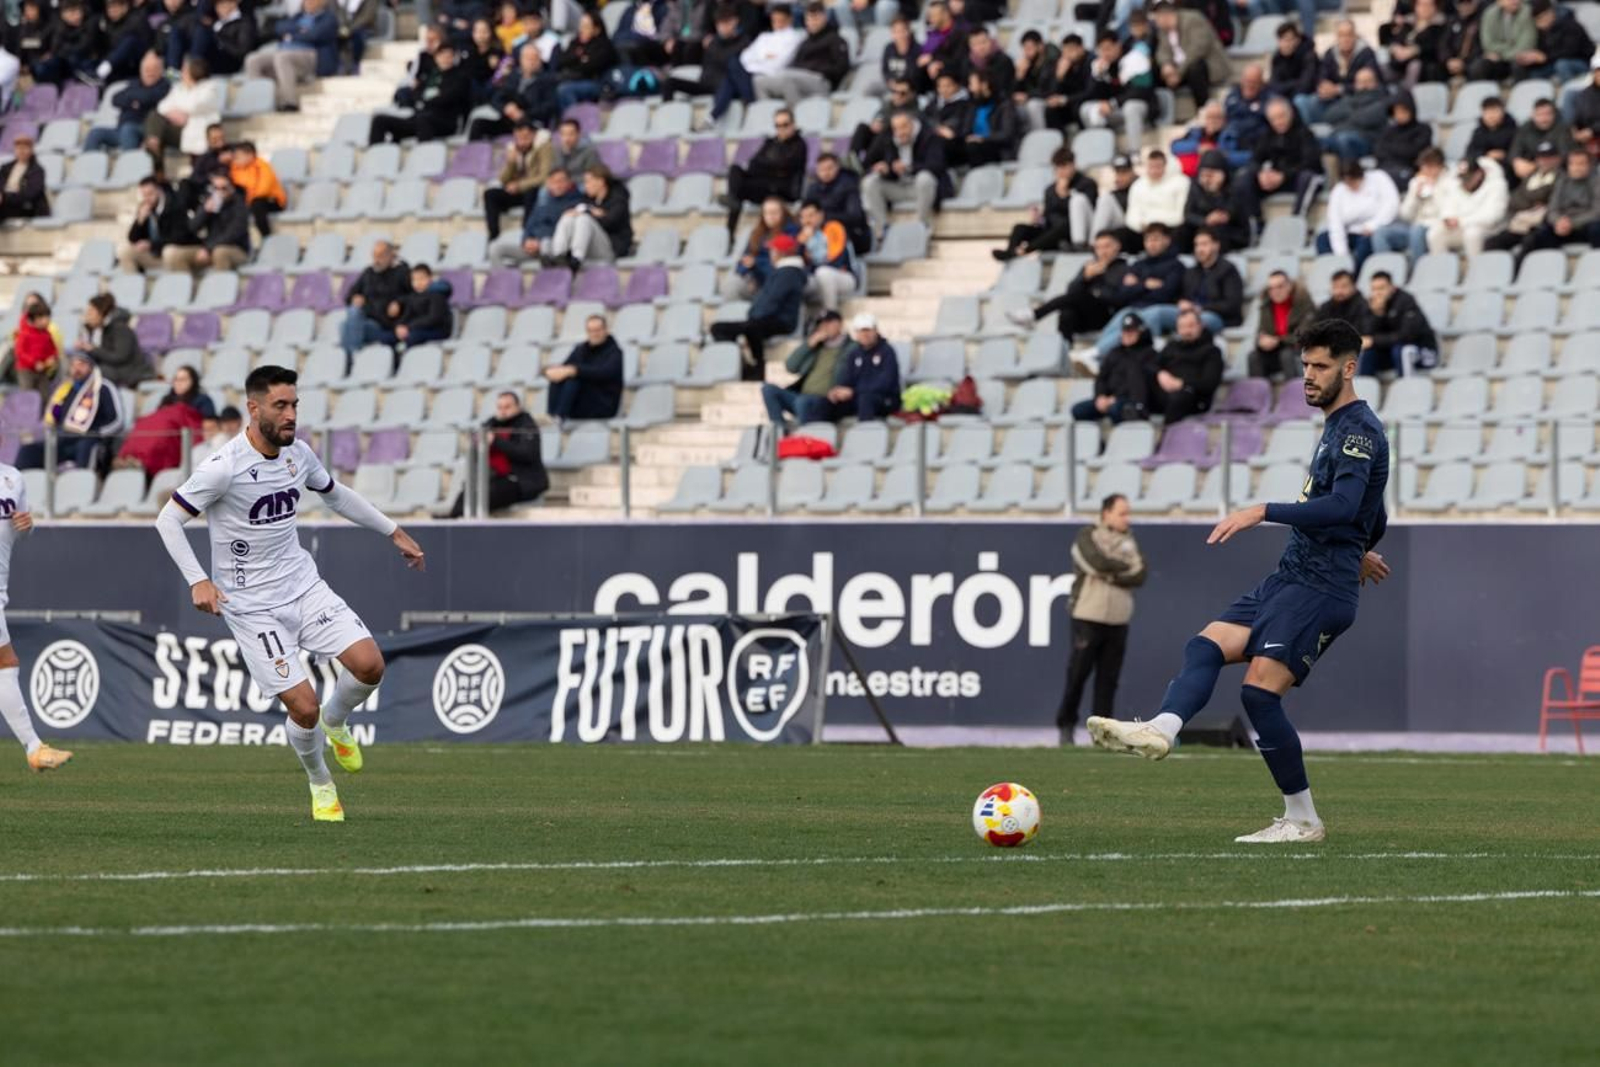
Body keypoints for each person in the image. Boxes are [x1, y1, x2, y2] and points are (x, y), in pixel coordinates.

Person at [1088, 318, 1392, 845]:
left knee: (1259, 696)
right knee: (1205, 644)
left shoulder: (1359, 432)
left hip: (1319, 589)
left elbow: (1345, 504)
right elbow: (1372, 510)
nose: (1309, 377)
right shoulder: (1337, 428)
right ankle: (1162, 729)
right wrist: (1362, 546)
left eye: (1321, 366)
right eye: (1305, 367)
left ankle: (1302, 821)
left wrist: (1263, 511)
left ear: (1349, 367)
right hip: (1291, 577)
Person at [156, 364, 425, 822]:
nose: (291, 415)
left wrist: (392, 530)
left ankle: (336, 723)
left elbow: (336, 494)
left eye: (294, 405)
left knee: (369, 665)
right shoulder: (223, 468)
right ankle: (321, 783)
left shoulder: (298, 454)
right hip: (252, 607)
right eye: (280, 406)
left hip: (303, 587)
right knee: (303, 707)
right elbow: (168, 519)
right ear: (254, 407)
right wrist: (197, 579)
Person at [1057, 493, 1144, 746]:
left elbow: (1140, 574)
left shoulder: (1130, 540)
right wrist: (1120, 568)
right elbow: (1095, 562)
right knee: (1078, 674)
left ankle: (1102, 735)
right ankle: (1066, 725)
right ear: (1106, 513)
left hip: (1118, 619)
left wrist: (1110, 573)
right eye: (1122, 513)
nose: (1127, 518)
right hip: (1088, 615)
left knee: (1108, 679)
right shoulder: (1088, 535)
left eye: (1128, 513)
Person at [0, 464, 72, 772]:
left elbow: (22, 528)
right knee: (6, 663)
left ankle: (35, 748)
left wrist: (27, 525)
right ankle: (34, 748)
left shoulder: (12, 477)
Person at [710, 234, 808, 379]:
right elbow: (769, 287)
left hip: (781, 321)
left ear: (781, 253)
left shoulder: (789, 273)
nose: (770, 254)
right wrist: (755, 268)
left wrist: (754, 317)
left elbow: (774, 300)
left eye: (773, 250)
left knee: (748, 328)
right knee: (720, 328)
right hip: (766, 318)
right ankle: (749, 363)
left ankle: (757, 366)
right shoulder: (783, 271)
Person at [1008, 231, 1127, 342]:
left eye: (1107, 246)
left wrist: (1096, 289)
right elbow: (1071, 292)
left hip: (1107, 315)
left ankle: (1035, 314)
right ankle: (1065, 349)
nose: (1103, 251)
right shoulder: (1090, 266)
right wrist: (1085, 278)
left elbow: (1115, 296)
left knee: (1079, 297)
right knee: (1067, 313)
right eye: (1098, 247)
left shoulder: (1123, 268)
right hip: (1085, 317)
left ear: (1117, 246)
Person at [17, 352, 124, 471]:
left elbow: (118, 421)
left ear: (92, 367)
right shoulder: (67, 389)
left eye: (82, 364)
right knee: (28, 451)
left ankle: (84, 483)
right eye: (73, 365)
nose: (76, 369)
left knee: (85, 446)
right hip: (64, 438)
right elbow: (58, 419)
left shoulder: (104, 387)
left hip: (89, 439)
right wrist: (55, 413)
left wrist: (97, 432)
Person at [1089, 223, 1183, 355]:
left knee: (1146, 316)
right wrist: (1145, 285)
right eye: (1148, 239)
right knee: (1123, 315)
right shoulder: (1139, 264)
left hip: (1163, 309)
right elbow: (1123, 294)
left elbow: (1164, 294)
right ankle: (1096, 352)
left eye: (1155, 239)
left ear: (1167, 240)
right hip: (1137, 308)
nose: (1151, 243)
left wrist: (1136, 286)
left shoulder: (1176, 266)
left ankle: (1097, 353)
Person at [449, 392, 549, 516]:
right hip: (494, 478)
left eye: (507, 407)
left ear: (518, 407)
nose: (503, 411)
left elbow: (526, 454)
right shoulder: (491, 424)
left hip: (520, 481)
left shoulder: (526, 426)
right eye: (500, 407)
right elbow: (476, 449)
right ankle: (451, 522)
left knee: (486, 494)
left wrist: (495, 440)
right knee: (467, 492)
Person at [860, 112, 953, 239]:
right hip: (899, 187)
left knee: (924, 178)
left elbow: (937, 166)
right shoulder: (888, 138)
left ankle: (922, 224)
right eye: (896, 128)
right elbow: (867, 164)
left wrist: (910, 167)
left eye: (903, 127)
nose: (900, 132)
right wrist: (885, 169)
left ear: (912, 124)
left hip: (922, 188)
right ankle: (882, 227)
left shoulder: (929, 136)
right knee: (870, 182)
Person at [994, 147, 1095, 261]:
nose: (1061, 172)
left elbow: (1084, 213)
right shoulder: (1050, 190)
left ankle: (1026, 250)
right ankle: (1011, 252)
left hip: (1071, 232)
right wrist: (1039, 219)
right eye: (1058, 168)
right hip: (1051, 233)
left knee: (1064, 225)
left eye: (1064, 167)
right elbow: (1048, 216)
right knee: (1019, 228)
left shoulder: (1087, 184)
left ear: (1073, 165)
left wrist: (1064, 195)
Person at [114, 364, 212, 477]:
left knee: (163, 430)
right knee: (143, 424)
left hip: (179, 435)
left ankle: (144, 461)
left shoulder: (202, 400)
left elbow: (206, 423)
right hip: (167, 425)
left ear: (193, 381)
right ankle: (128, 458)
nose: (179, 383)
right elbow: (159, 417)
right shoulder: (167, 399)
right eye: (176, 379)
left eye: (183, 379)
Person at [721, 109, 806, 237]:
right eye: (778, 126)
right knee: (735, 171)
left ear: (793, 124)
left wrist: (769, 164)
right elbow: (753, 163)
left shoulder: (800, 145)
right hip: (764, 184)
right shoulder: (771, 142)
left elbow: (786, 165)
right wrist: (773, 165)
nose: (781, 129)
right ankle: (729, 229)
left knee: (739, 192)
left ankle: (733, 208)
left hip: (783, 189)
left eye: (785, 125)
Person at [245, 0, 340, 112]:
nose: (308, 2)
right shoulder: (298, 16)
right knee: (253, 60)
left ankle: (289, 102)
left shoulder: (328, 18)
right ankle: (259, 100)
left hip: (311, 55)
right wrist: (300, 31)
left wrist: (291, 35)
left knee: (282, 57)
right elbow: (279, 27)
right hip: (285, 52)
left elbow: (314, 35)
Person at [1236, 98, 1322, 222]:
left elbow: (1310, 162)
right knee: (1244, 179)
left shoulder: (1304, 133)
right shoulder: (1267, 136)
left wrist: (1284, 175)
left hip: (1296, 178)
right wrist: (1261, 174)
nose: (1278, 122)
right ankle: (1256, 223)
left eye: (1281, 116)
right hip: (1276, 179)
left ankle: (1296, 221)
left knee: (1307, 177)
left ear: (1290, 114)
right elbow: (1255, 160)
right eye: (1274, 119)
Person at [761, 310, 850, 429]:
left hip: (825, 401)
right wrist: (808, 345)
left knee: (803, 402)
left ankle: (805, 440)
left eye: (828, 323)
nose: (824, 327)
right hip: (803, 397)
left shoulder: (851, 347)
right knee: (768, 390)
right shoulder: (816, 347)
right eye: (821, 324)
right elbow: (791, 366)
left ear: (839, 324)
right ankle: (780, 432)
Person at [1509, 146, 1600, 261]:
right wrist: (1558, 221)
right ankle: (1524, 273)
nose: (1577, 168)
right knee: (1537, 236)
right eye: (1573, 164)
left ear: (1590, 166)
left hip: (1585, 225)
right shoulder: (1562, 182)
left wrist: (1572, 223)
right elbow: (1553, 208)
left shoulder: (1596, 182)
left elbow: (1596, 211)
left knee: (1596, 229)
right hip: (1562, 226)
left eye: (1581, 164)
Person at [368, 41, 470, 143]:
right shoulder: (430, 76)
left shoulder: (460, 77)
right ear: (436, 57)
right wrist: (424, 99)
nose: (445, 59)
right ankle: (376, 154)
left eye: (449, 56)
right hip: (419, 117)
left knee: (423, 120)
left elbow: (447, 97)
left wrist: (425, 100)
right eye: (442, 55)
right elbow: (415, 93)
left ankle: (424, 156)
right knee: (379, 120)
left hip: (444, 121)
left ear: (454, 58)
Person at [755, 2, 850, 107]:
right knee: (759, 81)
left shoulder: (836, 40)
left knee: (787, 78)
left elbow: (841, 67)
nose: (812, 22)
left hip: (822, 81)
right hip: (800, 77)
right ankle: (769, 116)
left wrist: (814, 68)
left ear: (824, 18)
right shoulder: (805, 42)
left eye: (815, 18)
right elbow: (796, 63)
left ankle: (796, 117)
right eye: (808, 19)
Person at [1316, 161, 1400, 275]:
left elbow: (1391, 204)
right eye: (1347, 182)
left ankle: (1355, 277)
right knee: (1322, 239)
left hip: (1373, 230)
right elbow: (1335, 223)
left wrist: (1373, 225)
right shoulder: (1339, 191)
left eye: (1353, 181)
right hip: (1350, 231)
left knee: (1365, 245)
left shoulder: (1379, 178)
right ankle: (1332, 275)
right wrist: (1342, 255)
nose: (1351, 186)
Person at [1293, 20, 1381, 127]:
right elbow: (1321, 75)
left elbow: (1370, 85)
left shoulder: (1366, 54)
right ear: (1336, 37)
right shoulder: (1330, 53)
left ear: (1355, 35)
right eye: (1341, 35)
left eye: (1349, 34)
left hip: (1355, 102)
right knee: (1301, 101)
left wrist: (1339, 89)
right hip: (1330, 99)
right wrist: (1323, 86)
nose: (1345, 39)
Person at [489, 167, 582, 268]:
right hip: (533, 248)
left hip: (553, 248)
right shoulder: (542, 201)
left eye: (561, 181)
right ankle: (504, 281)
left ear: (569, 183)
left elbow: (561, 229)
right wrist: (526, 241)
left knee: (546, 244)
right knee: (495, 248)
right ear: (548, 183)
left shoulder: (576, 202)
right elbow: (530, 225)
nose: (557, 185)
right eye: (553, 181)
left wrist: (540, 241)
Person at [1078, 31, 1153, 153]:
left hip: (1141, 108)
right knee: (1086, 109)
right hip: (1116, 110)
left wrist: (1113, 103)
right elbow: (1093, 95)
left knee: (1131, 107)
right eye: (1101, 50)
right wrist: (1099, 76)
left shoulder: (1135, 58)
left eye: (1108, 48)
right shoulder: (1099, 64)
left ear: (1118, 45)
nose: (1105, 53)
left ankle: (1135, 152)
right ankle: (1104, 152)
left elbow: (1141, 91)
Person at [1073, 314, 1156, 423]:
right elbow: (1101, 378)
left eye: (1131, 331)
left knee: (1116, 409)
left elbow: (1141, 384)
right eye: (1125, 331)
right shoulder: (1114, 352)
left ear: (1140, 333)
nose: (1127, 335)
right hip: (1108, 399)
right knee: (1078, 410)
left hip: (1130, 400)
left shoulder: (1149, 354)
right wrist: (1100, 397)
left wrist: (1115, 399)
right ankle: (1098, 439)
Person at [547, 166, 633, 270]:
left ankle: (577, 258)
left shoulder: (618, 199)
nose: (585, 186)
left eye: (588, 182)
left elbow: (610, 222)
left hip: (612, 248)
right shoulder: (588, 199)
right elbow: (580, 210)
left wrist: (589, 213)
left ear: (601, 182)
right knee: (568, 216)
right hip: (591, 248)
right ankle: (558, 255)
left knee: (584, 219)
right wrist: (591, 212)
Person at [163, 171, 250, 274]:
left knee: (220, 252)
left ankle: (222, 288)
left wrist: (209, 248)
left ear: (232, 188)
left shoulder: (239, 205)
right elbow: (192, 227)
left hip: (237, 249)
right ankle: (189, 287)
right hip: (210, 247)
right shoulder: (209, 201)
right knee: (176, 256)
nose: (220, 192)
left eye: (224, 188)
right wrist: (204, 211)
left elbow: (232, 234)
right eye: (216, 188)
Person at [1373, 147, 1452, 260]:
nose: (1425, 171)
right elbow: (1405, 215)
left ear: (1439, 166)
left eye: (1430, 167)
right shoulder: (1416, 182)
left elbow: (1447, 211)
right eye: (1423, 167)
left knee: (1417, 230)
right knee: (1381, 232)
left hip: (1436, 226)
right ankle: (1386, 272)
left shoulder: (1450, 182)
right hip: (1414, 226)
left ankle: (1418, 270)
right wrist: (1416, 197)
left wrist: (1434, 190)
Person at [467, 44, 557, 141]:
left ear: (540, 60)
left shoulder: (548, 80)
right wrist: (505, 108)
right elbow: (497, 98)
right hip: (508, 119)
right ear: (521, 60)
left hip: (530, 121)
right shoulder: (514, 77)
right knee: (478, 124)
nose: (531, 62)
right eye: (527, 58)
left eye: (534, 59)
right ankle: (471, 153)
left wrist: (523, 114)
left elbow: (549, 106)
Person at [85, 51, 169, 152]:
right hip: (120, 129)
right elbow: (116, 98)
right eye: (146, 69)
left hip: (144, 129)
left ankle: (129, 164)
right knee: (95, 133)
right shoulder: (134, 83)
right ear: (141, 70)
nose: (149, 73)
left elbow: (148, 97)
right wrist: (133, 101)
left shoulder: (164, 86)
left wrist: (132, 99)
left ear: (160, 71)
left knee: (128, 130)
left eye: (153, 69)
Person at [544, 315, 624, 421]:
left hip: (603, 404)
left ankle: (559, 416)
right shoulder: (581, 349)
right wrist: (550, 371)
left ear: (606, 330)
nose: (594, 334)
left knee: (573, 378)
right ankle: (551, 415)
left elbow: (605, 373)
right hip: (582, 402)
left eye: (597, 330)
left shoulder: (615, 352)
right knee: (559, 376)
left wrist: (575, 370)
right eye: (590, 330)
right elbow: (565, 367)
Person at [340, 240, 411, 358]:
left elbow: (414, 296)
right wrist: (354, 298)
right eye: (374, 256)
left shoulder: (402, 273)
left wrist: (399, 302)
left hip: (386, 325)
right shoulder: (368, 273)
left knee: (347, 326)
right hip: (368, 320)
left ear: (391, 255)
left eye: (381, 256)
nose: (376, 260)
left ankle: (349, 359)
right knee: (346, 321)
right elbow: (349, 296)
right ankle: (351, 356)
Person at [1154, 308, 1225, 423]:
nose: (1186, 331)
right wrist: (1160, 374)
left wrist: (1181, 383)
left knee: (1180, 397)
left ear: (1200, 325)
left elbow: (1209, 383)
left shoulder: (1212, 351)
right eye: (1182, 327)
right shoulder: (1172, 346)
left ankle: (1167, 437)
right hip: (1166, 392)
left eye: (1191, 326)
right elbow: (1152, 365)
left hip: (1193, 398)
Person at [1426, 157, 1508, 257]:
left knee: (1472, 234)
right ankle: (1442, 269)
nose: (1464, 181)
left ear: (1478, 174)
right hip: (1461, 227)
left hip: (1490, 229)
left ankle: (1475, 269)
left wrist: (1460, 221)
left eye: (1467, 177)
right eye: (1462, 177)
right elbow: (1448, 208)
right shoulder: (1457, 185)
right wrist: (1448, 218)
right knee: (1435, 233)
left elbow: (1492, 217)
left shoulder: (1497, 185)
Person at [1152, 1, 1227, 107]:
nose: (1156, 23)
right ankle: (1159, 110)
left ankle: (1203, 108)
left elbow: (1197, 50)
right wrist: (1166, 65)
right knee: (1154, 69)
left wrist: (1178, 73)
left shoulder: (1193, 20)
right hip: (1179, 70)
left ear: (1165, 16)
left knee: (1195, 68)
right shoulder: (1163, 30)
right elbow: (1162, 51)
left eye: (1157, 19)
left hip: (1205, 67)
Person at [145, 56, 223, 158]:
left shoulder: (211, 88)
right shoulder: (179, 87)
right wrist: (174, 114)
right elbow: (162, 106)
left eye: (184, 70)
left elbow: (193, 106)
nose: (181, 73)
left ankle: (153, 145)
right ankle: (153, 144)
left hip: (201, 132)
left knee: (158, 132)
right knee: (154, 117)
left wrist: (177, 108)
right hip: (181, 129)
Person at [828, 314, 901, 421]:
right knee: (827, 403)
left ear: (876, 331)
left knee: (866, 400)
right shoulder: (853, 353)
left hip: (885, 399)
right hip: (857, 397)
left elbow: (886, 383)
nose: (865, 334)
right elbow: (846, 378)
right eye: (861, 331)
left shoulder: (887, 351)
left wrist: (854, 391)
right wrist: (839, 390)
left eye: (868, 330)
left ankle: (865, 435)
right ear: (856, 334)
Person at [1365, 271, 1439, 376]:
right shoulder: (1372, 304)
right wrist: (1378, 315)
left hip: (1422, 350)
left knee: (1403, 351)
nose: (1377, 293)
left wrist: (1374, 340)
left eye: (1381, 288)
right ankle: (1365, 389)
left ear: (1392, 287)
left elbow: (1407, 335)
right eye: (1374, 289)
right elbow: (1367, 335)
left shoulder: (1406, 300)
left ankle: (1406, 389)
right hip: (1392, 352)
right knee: (1368, 353)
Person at [482, 123, 549, 240]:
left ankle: (526, 232)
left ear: (533, 135)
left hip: (536, 191)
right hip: (518, 192)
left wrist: (519, 185)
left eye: (525, 137)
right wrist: (511, 162)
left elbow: (544, 177)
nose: (521, 141)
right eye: (518, 137)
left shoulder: (544, 148)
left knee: (531, 191)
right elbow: (503, 180)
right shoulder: (514, 149)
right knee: (490, 194)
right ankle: (494, 235)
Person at [1177, 150, 1249, 253]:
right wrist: (1205, 220)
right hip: (1203, 226)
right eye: (1203, 175)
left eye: (1211, 175)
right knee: (1181, 231)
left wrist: (1217, 193)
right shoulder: (1196, 187)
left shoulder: (1235, 188)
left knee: (1217, 230)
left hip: (1230, 231)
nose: (1206, 179)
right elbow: (1188, 214)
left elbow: (1232, 213)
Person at [1249, 272, 1316, 381]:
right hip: (1276, 352)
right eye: (1271, 288)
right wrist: (1261, 341)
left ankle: (1294, 394)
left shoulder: (1304, 304)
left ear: (1289, 286)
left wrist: (1278, 340)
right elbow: (1260, 332)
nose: (1275, 291)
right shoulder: (1266, 306)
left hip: (1300, 352)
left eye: (1280, 286)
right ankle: (1258, 395)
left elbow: (1303, 335)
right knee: (1254, 357)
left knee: (1286, 355)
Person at [1317, 66, 1391, 164]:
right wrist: (1353, 110)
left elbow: (1365, 119)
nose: (1364, 85)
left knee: (1344, 139)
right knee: (1314, 141)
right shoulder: (1350, 99)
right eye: (1360, 82)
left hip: (1366, 141)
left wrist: (1348, 113)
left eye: (1368, 81)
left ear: (1375, 83)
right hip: (1340, 134)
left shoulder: (1382, 101)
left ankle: (1350, 175)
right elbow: (1329, 116)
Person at [75, 294, 148, 389]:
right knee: (79, 369)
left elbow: (120, 356)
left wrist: (92, 349)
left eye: (91, 311)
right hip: (113, 370)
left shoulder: (120, 329)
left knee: (97, 372)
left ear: (101, 313)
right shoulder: (95, 330)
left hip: (131, 371)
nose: (87, 315)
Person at [797, 200, 859, 312]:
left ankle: (830, 316)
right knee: (794, 281)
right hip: (815, 277)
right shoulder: (800, 236)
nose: (807, 221)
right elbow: (798, 263)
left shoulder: (834, 229)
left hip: (843, 276)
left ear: (821, 215)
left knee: (823, 272)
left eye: (811, 215)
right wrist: (801, 245)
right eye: (803, 217)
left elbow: (836, 262)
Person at [553, 11, 619, 112]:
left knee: (565, 90)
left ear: (596, 30)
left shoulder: (604, 45)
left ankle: (576, 120)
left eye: (586, 27)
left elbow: (591, 66)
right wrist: (578, 58)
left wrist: (575, 62)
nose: (581, 30)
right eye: (581, 26)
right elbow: (561, 61)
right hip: (573, 79)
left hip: (597, 83)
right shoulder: (575, 42)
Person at [803, 153, 869, 255]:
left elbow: (855, 217)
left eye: (829, 168)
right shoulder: (813, 188)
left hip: (849, 234)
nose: (825, 172)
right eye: (821, 169)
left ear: (837, 167)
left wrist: (824, 218)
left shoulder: (849, 185)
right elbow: (806, 211)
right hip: (819, 231)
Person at [1170, 101, 1251, 179]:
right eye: (1210, 117)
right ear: (1204, 118)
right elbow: (1175, 146)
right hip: (1191, 173)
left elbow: (1248, 156)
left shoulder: (1233, 135)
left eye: (1217, 117)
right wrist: (1198, 147)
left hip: (1219, 175)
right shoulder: (1194, 132)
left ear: (1224, 120)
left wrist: (1223, 156)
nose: (1213, 120)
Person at [1372, 91, 1433, 189]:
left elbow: (1414, 153)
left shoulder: (1423, 129)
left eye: (1403, 111)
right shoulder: (1389, 130)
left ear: (1411, 110)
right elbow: (1378, 151)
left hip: (1407, 170)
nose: (1400, 115)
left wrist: (1391, 148)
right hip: (1384, 169)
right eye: (1396, 111)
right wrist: (1400, 149)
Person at [227, 142, 286, 240]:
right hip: (249, 202)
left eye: (238, 157)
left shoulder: (262, 166)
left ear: (250, 155)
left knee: (257, 203)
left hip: (271, 201)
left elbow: (263, 189)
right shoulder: (235, 169)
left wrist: (248, 200)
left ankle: (267, 237)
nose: (235, 159)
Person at [1524, 0, 1593, 83]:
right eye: (1536, 20)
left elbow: (1569, 52)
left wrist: (1545, 57)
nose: (1539, 23)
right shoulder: (1542, 30)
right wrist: (1534, 57)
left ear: (1550, 12)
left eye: (1540, 18)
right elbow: (1544, 51)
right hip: (1554, 62)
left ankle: (1569, 90)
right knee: (1534, 73)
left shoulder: (1571, 24)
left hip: (1582, 62)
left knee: (1562, 64)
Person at [1510, 99, 1572, 183]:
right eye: (1540, 114)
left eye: (1547, 114)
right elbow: (1515, 150)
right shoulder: (1525, 128)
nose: (1544, 118)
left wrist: (1536, 166)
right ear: (1533, 115)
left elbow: (1564, 155)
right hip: (1527, 170)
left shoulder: (1562, 129)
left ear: (1554, 115)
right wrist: (1516, 162)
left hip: (1555, 171)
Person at [394, 264, 453, 350]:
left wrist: (409, 327)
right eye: (414, 280)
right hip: (419, 328)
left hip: (438, 330)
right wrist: (400, 326)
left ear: (430, 278)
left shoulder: (437, 295)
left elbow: (434, 318)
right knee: (391, 337)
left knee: (413, 337)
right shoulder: (414, 296)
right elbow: (407, 315)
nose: (418, 282)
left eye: (421, 279)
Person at [1472, 0, 1535, 81]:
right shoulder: (1489, 14)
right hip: (1499, 60)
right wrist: (1510, 47)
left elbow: (1526, 45)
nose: (1514, 1)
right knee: (1479, 66)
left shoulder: (1527, 12)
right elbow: (1488, 44)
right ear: (1499, 2)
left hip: (1517, 59)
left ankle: (1521, 92)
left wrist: (1501, 56)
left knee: (1519, 65)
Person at [13, 298, 59, 403]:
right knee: (27, 394)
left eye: (48, 317)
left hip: (42, 370)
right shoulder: (24, 334)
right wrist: (34, 363)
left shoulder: (47, 334)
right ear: (34, 319)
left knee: (44, 395)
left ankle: (42, 416)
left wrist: (52, 358)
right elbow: (19, 353)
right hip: (26, 371)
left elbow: (53, 350)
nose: (47, 321)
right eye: (44, 318)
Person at [0, 135, 48, 220]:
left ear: (31, 150)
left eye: (25, 148)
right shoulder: (6, 168)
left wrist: (5, 197)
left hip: (27, 207)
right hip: (5, 204)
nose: (21, 151)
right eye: (18, 148)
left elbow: (29, 194)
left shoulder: (37, 171)